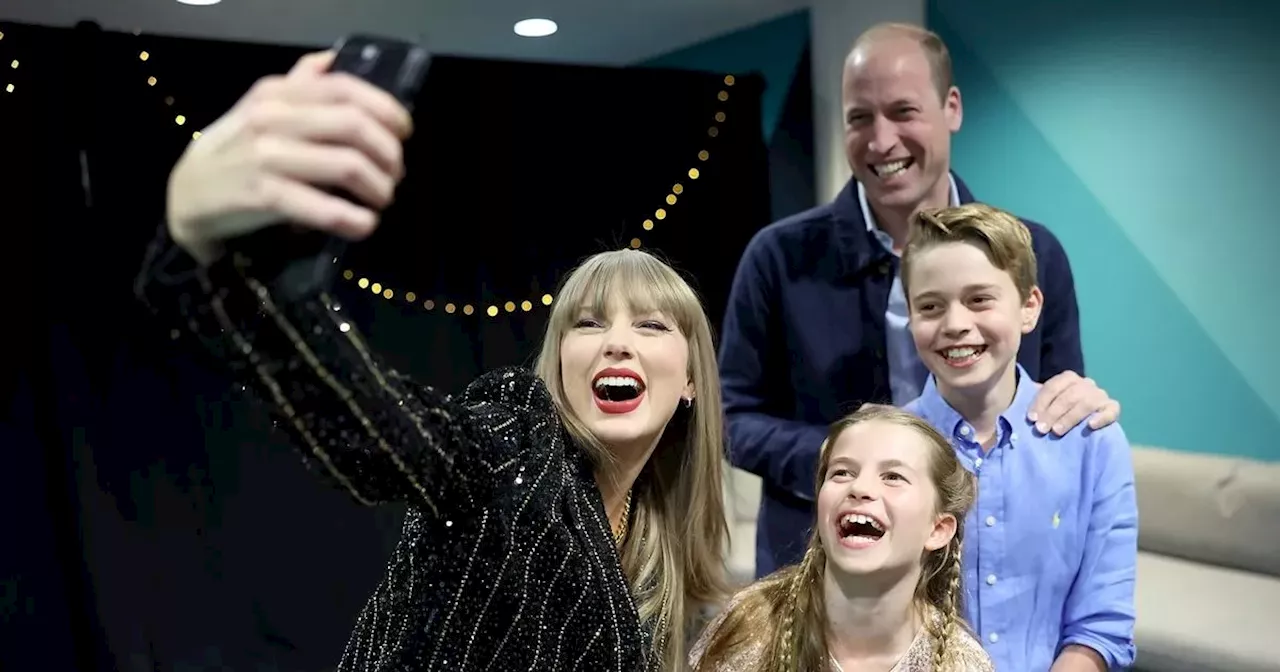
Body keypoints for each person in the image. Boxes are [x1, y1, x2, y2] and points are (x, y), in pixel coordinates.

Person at [134, 50, 730, 671]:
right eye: (588, 323)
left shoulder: (654, 536)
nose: (617, 342)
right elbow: (382, 431)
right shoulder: (518, 440)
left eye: (652, 325)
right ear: (555, 363)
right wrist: (208, 254)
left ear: (691, 380)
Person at [718, 21, 1123, 577]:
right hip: (816, 567)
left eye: (903, 112)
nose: (881, 141)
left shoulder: (1036, 253)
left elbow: (1056, 401)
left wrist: (1081, 402)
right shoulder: (776, 257)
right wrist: (842, 460)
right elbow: (729, 416)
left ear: (951, 107)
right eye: (860, 118)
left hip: (991, 568)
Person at [901, 203, 1138, 671]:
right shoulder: (886, 448)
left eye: (979, 300)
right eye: (930, 306)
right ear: (909, 317)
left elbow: (1101, 626)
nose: (954, 323)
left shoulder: (1093, 444)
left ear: (1029, 307)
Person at [690, 404, 993, 672]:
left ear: (938, 529)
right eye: (841, 473)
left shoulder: (961, 662)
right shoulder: (749, 629)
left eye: (892, 477)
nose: (859, 488)